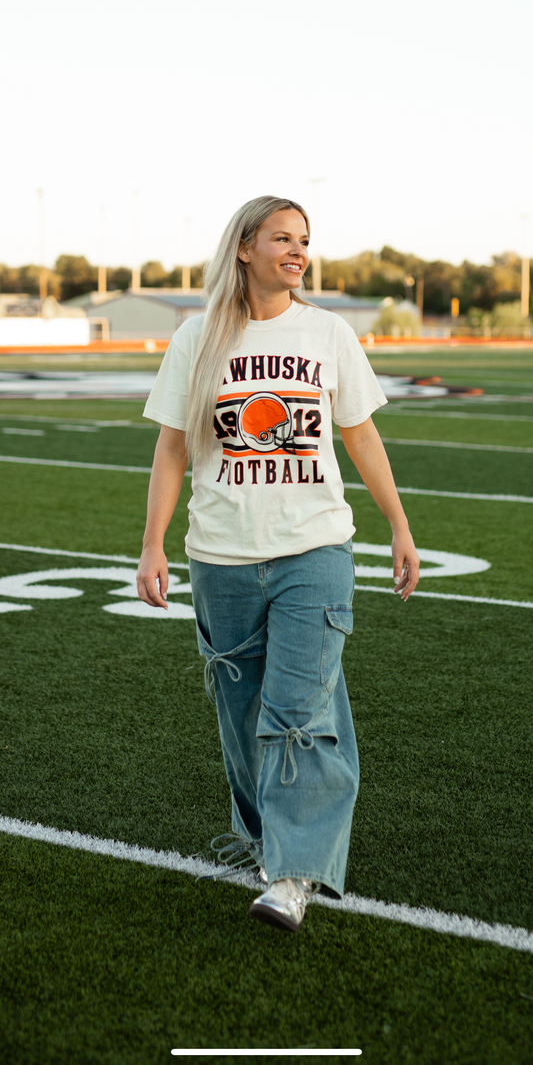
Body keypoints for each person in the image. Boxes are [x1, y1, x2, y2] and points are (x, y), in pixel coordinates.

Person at [137, 195, 420, 933]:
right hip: (220, 556)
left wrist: (398, 524)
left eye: (303, 240)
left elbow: (359, 435)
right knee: (241, 715)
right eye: (282, 238)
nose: (297, 251)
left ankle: (293, 874)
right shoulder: (195, 338)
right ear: (244, 247)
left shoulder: (328, 332)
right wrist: (151, 543)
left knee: (296, 713)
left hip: (314, 549)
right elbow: (171, 448)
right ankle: (265, 839)